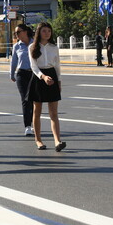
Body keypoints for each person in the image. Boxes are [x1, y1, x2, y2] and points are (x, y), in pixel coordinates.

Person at [28, 22, 66, 152]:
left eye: (49, 31)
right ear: (39, 32)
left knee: (53, 112)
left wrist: (59, 81)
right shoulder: (32, 47)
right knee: (37, 111)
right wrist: (43, 77)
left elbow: (57, 65)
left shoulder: (54, 47)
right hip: (39, 78)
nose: (47, 33)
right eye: (44, 31)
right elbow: (33, 66)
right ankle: (38, 140)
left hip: (52, 76)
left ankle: (57, 140)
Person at [10, 24, 34, 136]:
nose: (16, 34)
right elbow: (13, 61)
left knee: (34, 101)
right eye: (15, 33)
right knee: (25, 100)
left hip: (34, 74)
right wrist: (12, 74)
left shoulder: (35, 43)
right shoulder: (17, 46)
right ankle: (27, 126)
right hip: (21, 74)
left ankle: (34, 123)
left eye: (18, 32)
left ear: (25, 32)